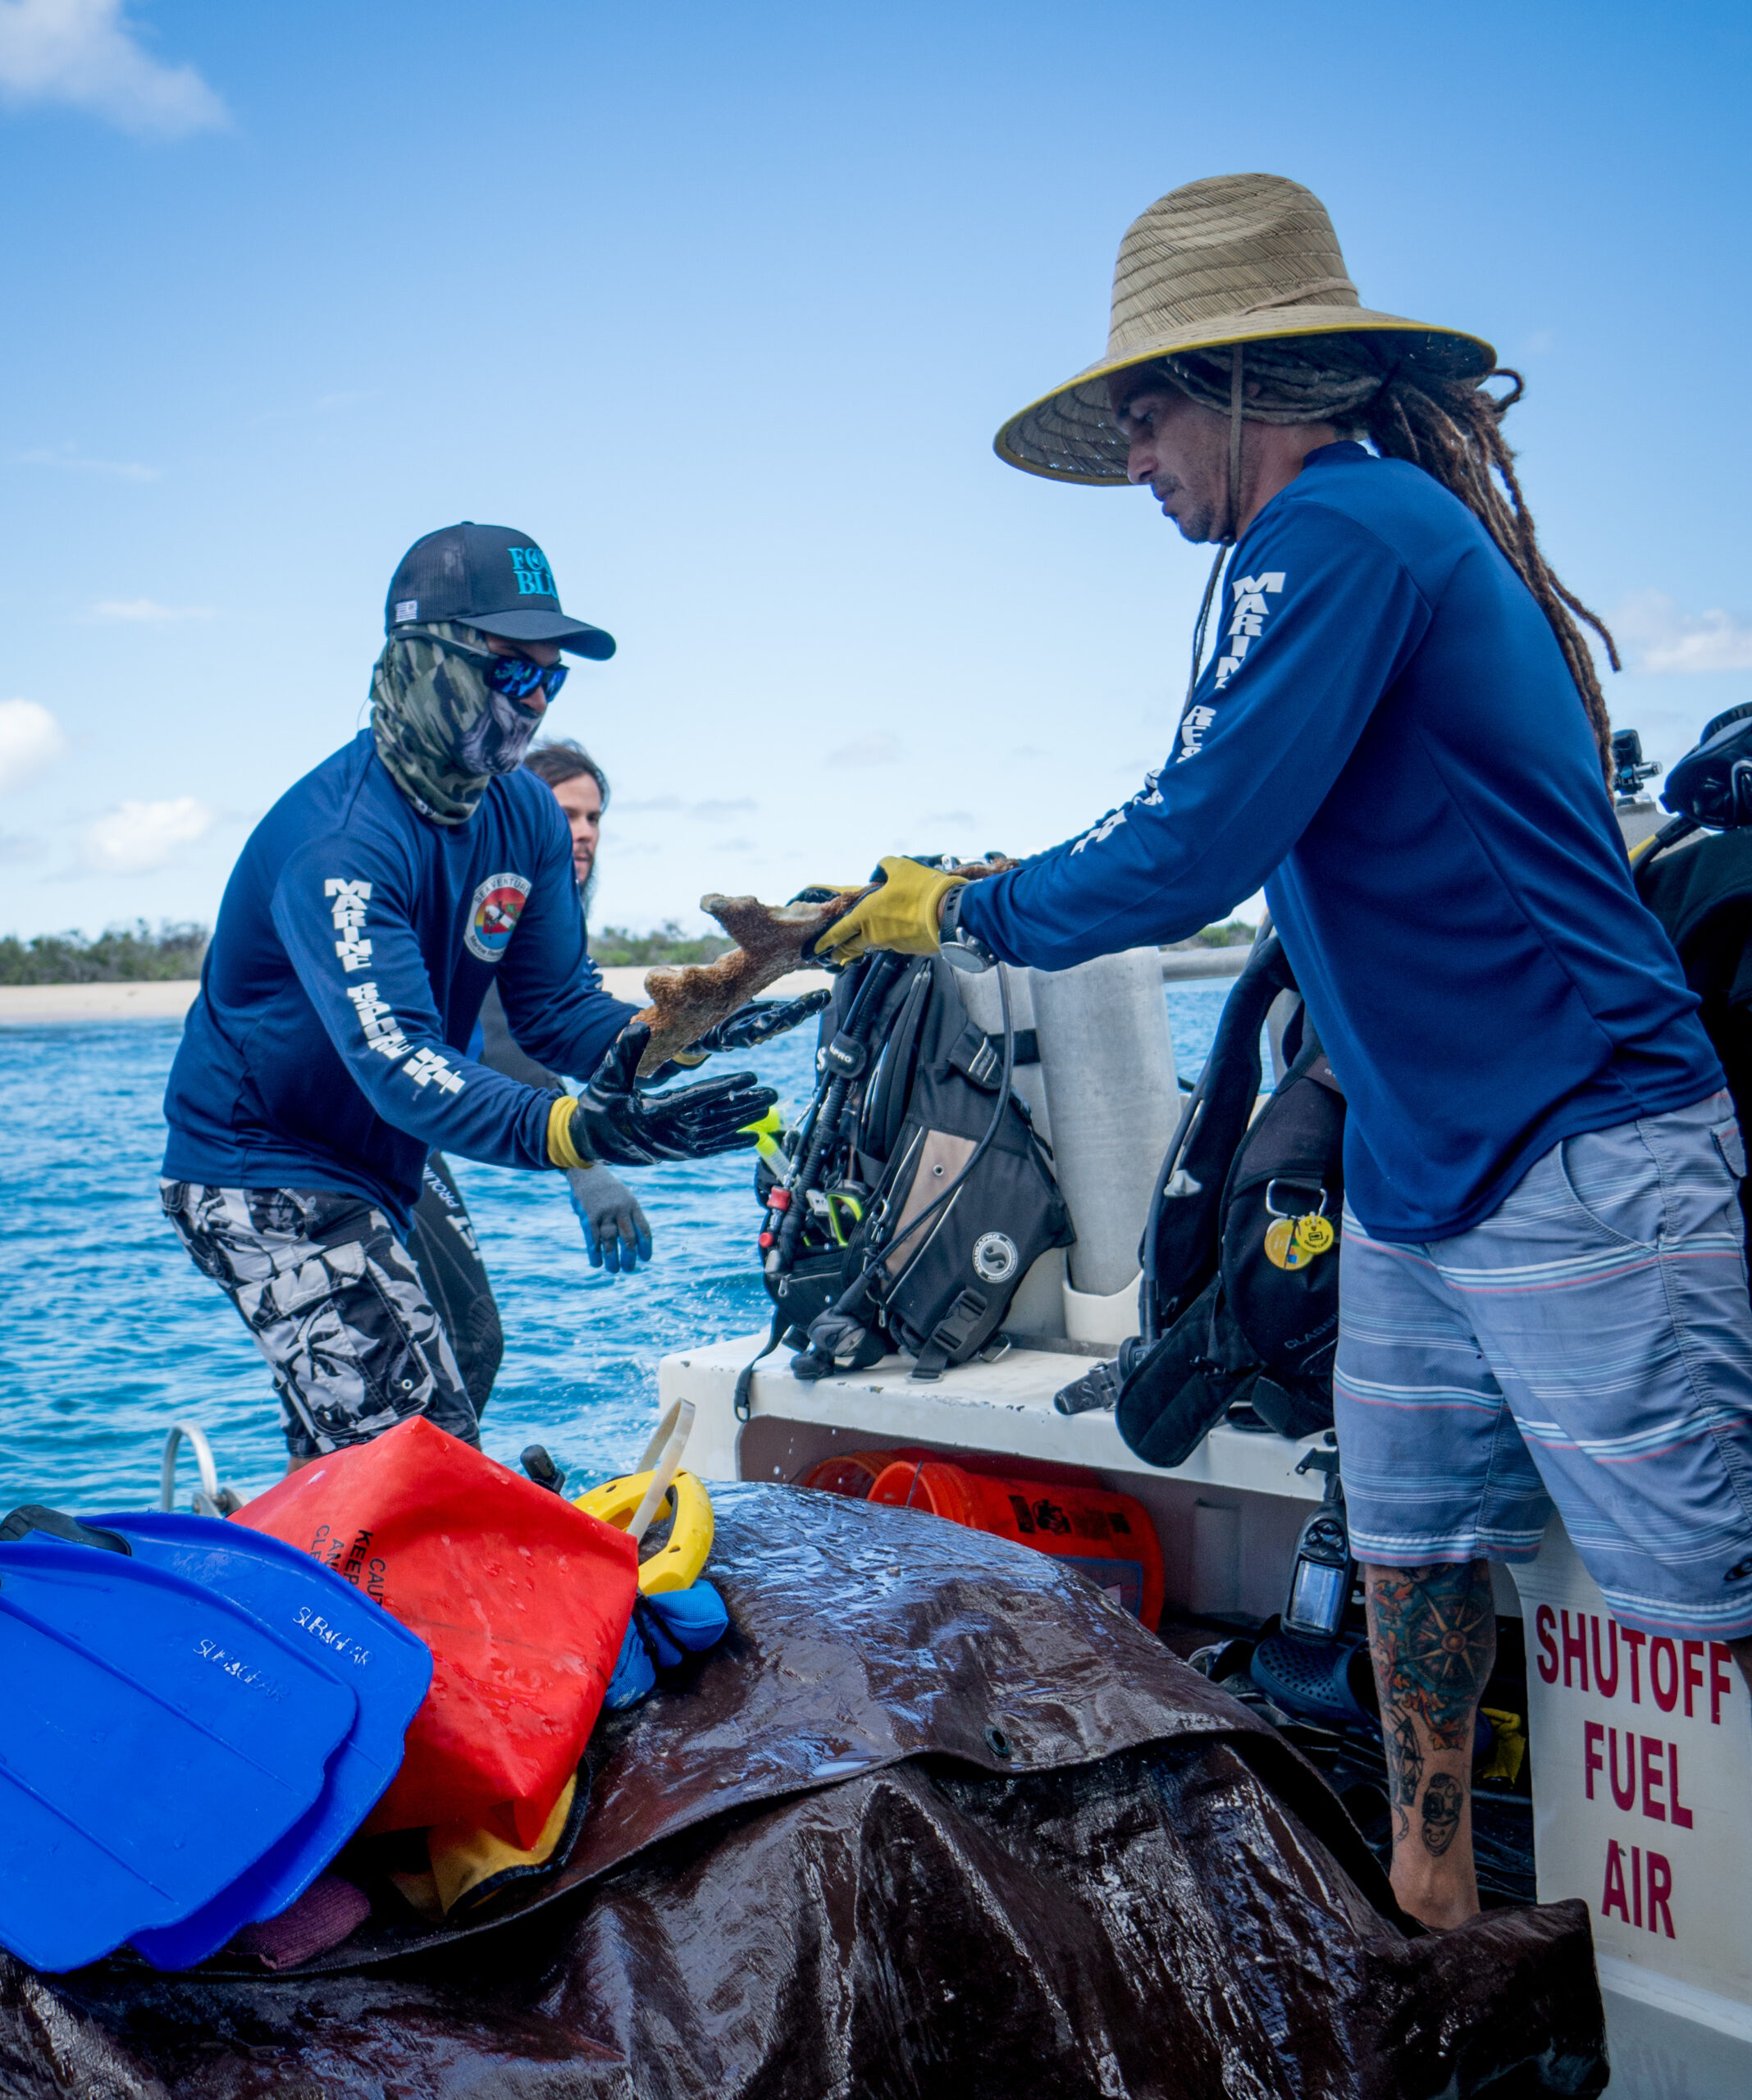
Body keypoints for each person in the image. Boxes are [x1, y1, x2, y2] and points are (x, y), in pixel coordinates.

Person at [817, 175, 1752, 1929]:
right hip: (1417, 1167)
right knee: (1405, 1546)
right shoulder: (1320, 549)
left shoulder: (1341, 534)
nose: (1134, 455)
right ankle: (1433, 1910)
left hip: (1582, 1137)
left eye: (1150, 410)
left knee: (1711, 1589)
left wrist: (964, 910)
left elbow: (1184, 847)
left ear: (1253, 382)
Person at [161, 520, 787, 1468]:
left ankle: (305, 1569)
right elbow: (402, 1061)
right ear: (425, 660)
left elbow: (553, 1010)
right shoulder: (339, 843)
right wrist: (581, 1135)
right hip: (261, 1169)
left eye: (552, 678)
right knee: (421, 1445)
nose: (533, 703)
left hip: (380, 1166)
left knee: (422, 1402)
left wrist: (683, 1033)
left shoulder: (523, 809)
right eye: (512, 673)